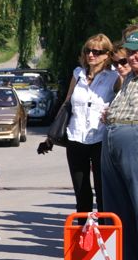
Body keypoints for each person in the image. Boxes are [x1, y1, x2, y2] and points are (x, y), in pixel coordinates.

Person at [39, 34, 119, 216]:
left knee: (102, 191)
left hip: (100, 139)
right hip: (75, 136)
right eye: (88, 50)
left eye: (97, 52)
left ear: (107, 54)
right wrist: (51, 136)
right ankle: (83, 230)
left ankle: (104, 229)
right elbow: (67, 102)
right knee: (81, 192)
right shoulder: (78, 74)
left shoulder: (114, 77)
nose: (91, 55)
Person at [102, 29, 138, 260]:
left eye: (137, 53)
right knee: (116, 204)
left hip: (133, 137)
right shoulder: (128, 78)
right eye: (131, 52)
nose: (133, 57)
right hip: (113, 136)